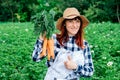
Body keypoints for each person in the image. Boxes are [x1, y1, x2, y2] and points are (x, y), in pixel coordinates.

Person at [32, 7, 94, 80]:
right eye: (70, 21)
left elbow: (90, 71)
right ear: (64, 23)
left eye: (77, 21)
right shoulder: (54, 39)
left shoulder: (84, 44)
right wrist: (41, 38)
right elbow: (36, 58)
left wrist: (76, 67)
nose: (75, 25)